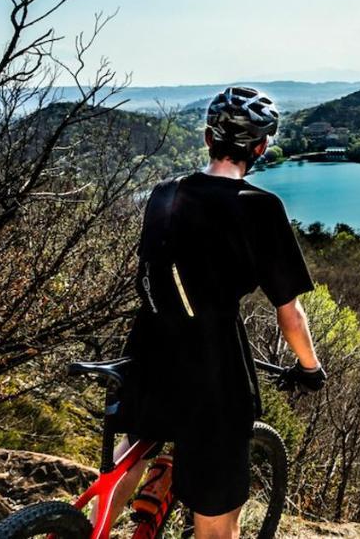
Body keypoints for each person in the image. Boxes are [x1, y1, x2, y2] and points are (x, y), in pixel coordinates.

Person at [113, 86, 327, 539]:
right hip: (213, 366)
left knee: (134, 449)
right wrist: (310, 368)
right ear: (261, 147)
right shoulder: (261, 208)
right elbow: (290, 312)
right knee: (216, 515)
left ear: (209, 139)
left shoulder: (163, 193)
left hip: (149, 348)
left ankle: (88, 525)